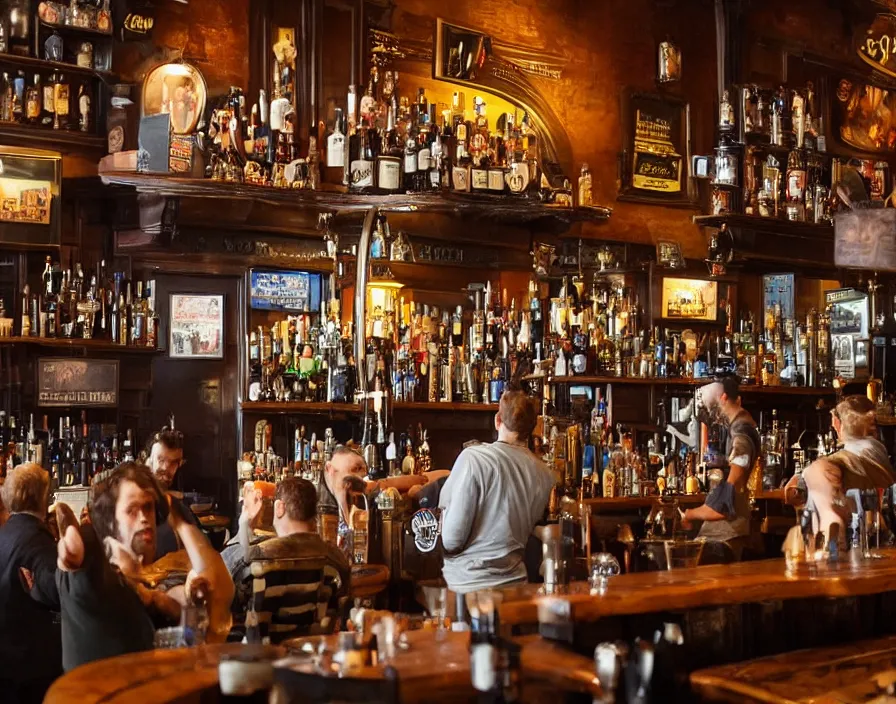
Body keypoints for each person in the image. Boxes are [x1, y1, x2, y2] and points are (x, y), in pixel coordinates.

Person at [56, 461, 234, 671]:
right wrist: (72, 557)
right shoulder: (98, 578)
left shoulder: (144, 586)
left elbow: (219, 591)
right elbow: (80, 573)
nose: (144, 518)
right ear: (111, 522)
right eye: (131, 510)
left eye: (148, 507)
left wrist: (174, 513)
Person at [438, 388, 554, 594]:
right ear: (532, 428)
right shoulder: (545, 474)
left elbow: (452, 540)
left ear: (497, 420)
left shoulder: (474, 459)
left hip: (467, 587)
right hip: (515, 584)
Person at [236, 477, 350, 631]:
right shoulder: (334, 557)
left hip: (267, 651)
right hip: (315, 648)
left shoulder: (260, 555)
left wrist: (244, 524)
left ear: (280, 507)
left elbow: (226, 584)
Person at [785, 395, 894, 546]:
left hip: (848, 548)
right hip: (883, 545)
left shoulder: (839, 462)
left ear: (837, 424)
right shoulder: (880, 453)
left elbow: (796, 489)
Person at [679, 377, 761, 562]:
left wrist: (690, 514)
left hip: (727, 535)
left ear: (723, 398)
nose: (712, 415)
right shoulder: (740, 428)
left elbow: (725, 502)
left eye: (711, 407)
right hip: (725, 532)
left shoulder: (742, 433)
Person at [0, 464, 61, 704]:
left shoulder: (6, 533)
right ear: (42, 497)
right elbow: (57, 591)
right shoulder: (36, 540)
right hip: (29, 671)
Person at [146, 427, 201, 560]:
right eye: (161, 459)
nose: (166, 468)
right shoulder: (134, 492)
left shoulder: (175, 506)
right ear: (149, 460)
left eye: (173, 463)